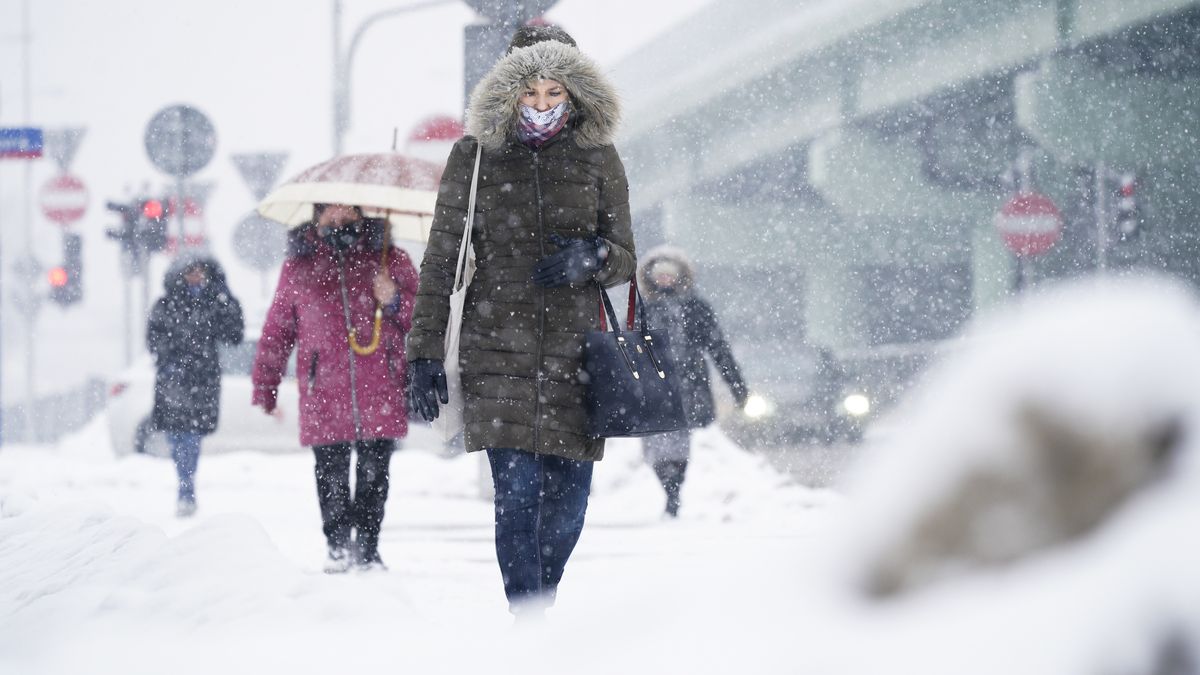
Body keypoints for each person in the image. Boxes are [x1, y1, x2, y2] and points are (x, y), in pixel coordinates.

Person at [405, 24, 636, 618]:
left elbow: (626, 256)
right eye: (529, 91)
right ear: (507, 89)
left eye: (554, 92)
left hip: (576, 355)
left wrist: (596, 257)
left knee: (569, 503)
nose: (540, 105)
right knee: (517, 497)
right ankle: (529, 624)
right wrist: (424, 352)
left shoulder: (598, 156)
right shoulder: (474, 155)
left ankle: (543, 600)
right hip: (494, 347)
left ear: (575, 92)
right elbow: (441, 257)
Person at [252, 205, 419, 573]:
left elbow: (424, 321)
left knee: (375, 476)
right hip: (323, 390)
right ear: (316, 218)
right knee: (331, 475)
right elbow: (278, 330)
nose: (338, 224)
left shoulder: (391, 261)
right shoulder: (299, 268)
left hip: (381, 388)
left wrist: (393, 299)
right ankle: (338, 546)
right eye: (330, 216)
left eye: (346, 216)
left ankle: (368, 548)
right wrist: (266, 383)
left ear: (362, 215)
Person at [636, 246, 749, 518]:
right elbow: (627, 350)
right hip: (654, 388)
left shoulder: (697, 308)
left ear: (680, 276)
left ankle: (674, 493)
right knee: (656, 444)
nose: (664, 280)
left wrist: (737, 386)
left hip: (689, 386)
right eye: (659, 275)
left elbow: (718, 348)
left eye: (669, 275)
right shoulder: (641, 309)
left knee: (678, 443)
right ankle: (668, 488)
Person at [147, 252, 245, 518]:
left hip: (202, 381)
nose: (196, 277)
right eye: (190, 271)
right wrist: (172, 359)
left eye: (200, 272)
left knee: (192, 435)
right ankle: (184, 483)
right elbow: (153, 339)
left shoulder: (214, 302)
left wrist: (227, 298)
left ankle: (186, 486)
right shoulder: (166, 305)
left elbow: (235, 333)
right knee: (176, 434)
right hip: (173, 379)